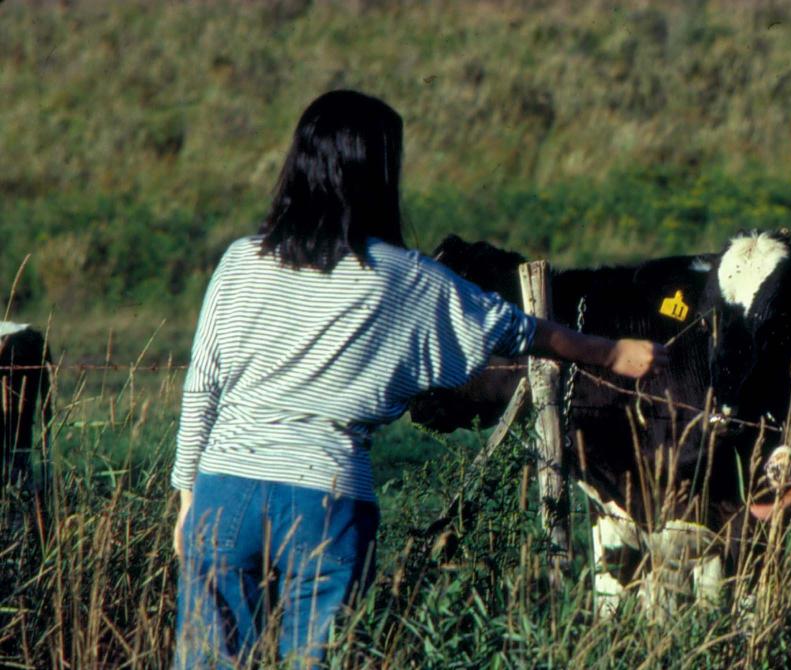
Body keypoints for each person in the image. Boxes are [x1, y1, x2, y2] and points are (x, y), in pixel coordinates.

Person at [171, 89, 668, 668]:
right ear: (377, 173)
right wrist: (611, 352)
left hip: (224, 487)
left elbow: (201, 386)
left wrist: (188, 497)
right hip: (326, 496)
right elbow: (516, 328)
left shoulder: (240, 259)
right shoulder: (406, 278)